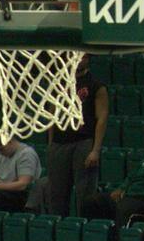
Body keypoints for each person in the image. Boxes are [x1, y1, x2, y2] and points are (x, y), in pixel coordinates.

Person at [45, 57, 111, 215]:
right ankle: (59, 230)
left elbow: (102, 118)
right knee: (56, 194)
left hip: (84, 141)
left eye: (81, 56)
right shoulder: (59, 83)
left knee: (85, 195)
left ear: (88, 59)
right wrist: (51, 143)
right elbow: (52, 115)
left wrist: (95, 150)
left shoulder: (96, 85)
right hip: (60, 143)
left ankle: (86, 229)